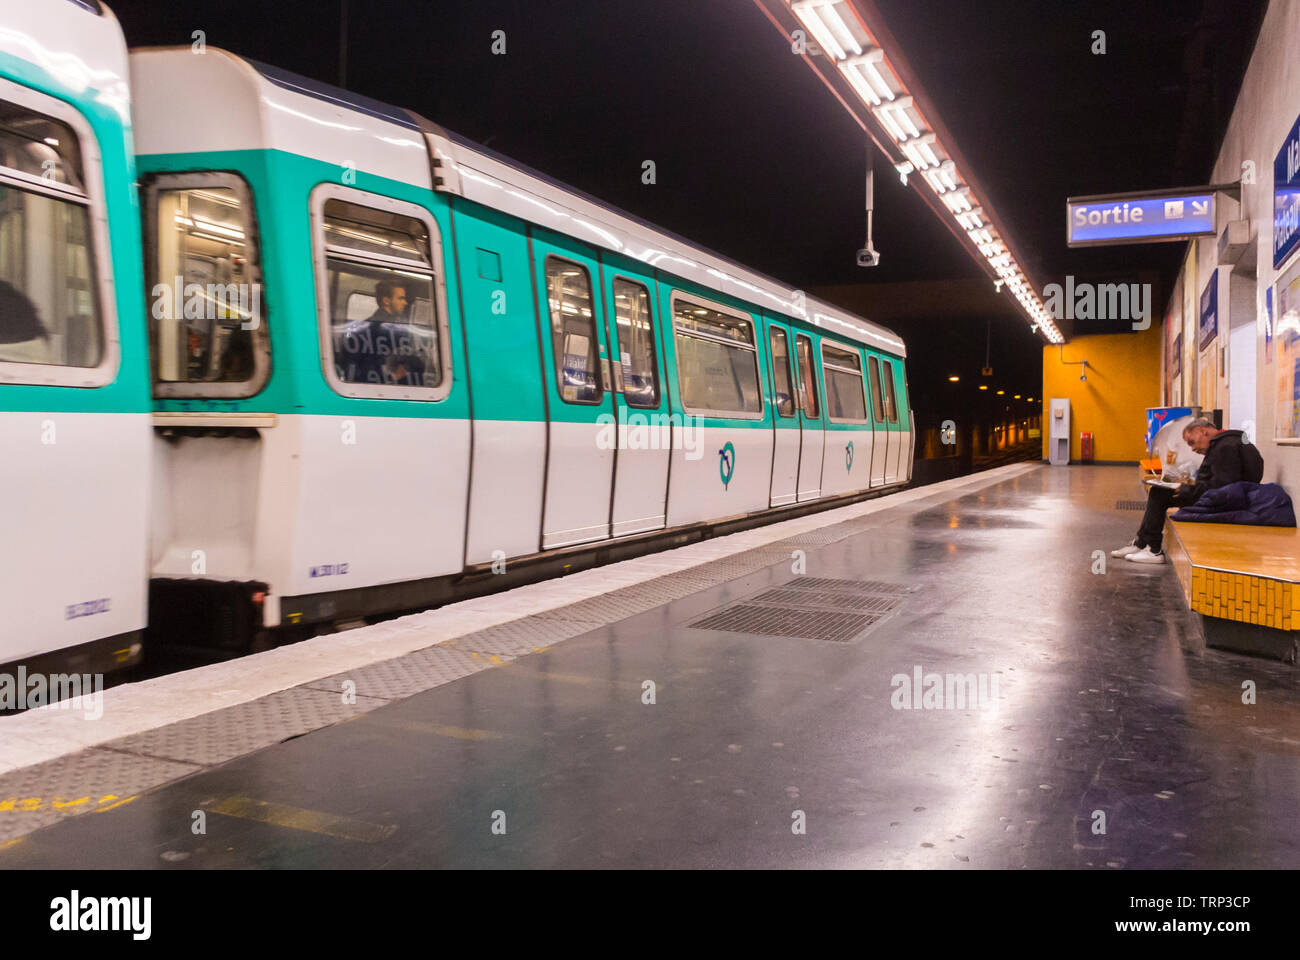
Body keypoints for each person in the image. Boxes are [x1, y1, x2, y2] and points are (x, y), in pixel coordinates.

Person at [1113, 417, 1264, 563]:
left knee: (1159, 494)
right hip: (1230, 495)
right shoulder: (1229, 442)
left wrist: (1187, 489)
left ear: (1202, 431)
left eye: (1191, 442)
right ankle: (1141, 543)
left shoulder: (1224, 448)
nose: (1193, 448)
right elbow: (1222, 481)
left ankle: (1153, 549)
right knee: (1158, 492)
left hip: (1225, 501)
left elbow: (1222, 488)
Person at [336, 279, 426, 386]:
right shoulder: (387, 330)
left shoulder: (364, 326)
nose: (405, 303)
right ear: (386, 301)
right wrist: (392, 377)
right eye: (400, 298)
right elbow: (370, 366)